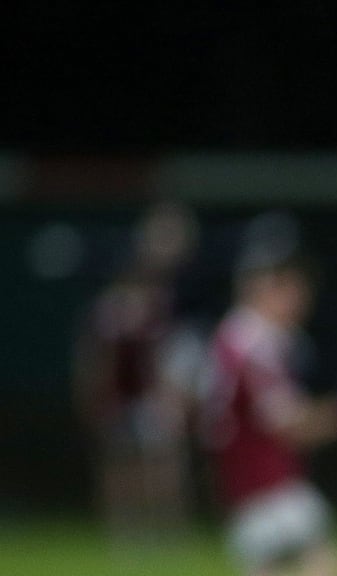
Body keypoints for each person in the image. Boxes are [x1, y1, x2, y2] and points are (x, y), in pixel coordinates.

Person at [199, 213, 337, 576]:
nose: (300, 299)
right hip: (265, 486)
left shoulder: (236, 335)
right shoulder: (253, 342)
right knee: (325, 563)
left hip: (242, 485)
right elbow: (287, 423)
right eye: (291, 287)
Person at [72, 201, 201, 543]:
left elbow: (167, 354)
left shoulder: (161, 305)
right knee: (120, 464)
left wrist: (171, 395)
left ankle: (168, 530)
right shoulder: (107, 310)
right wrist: (91, 392)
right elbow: (94, 356)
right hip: (116, 396)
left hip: (152, 395)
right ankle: (125, 533)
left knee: (163, 464)